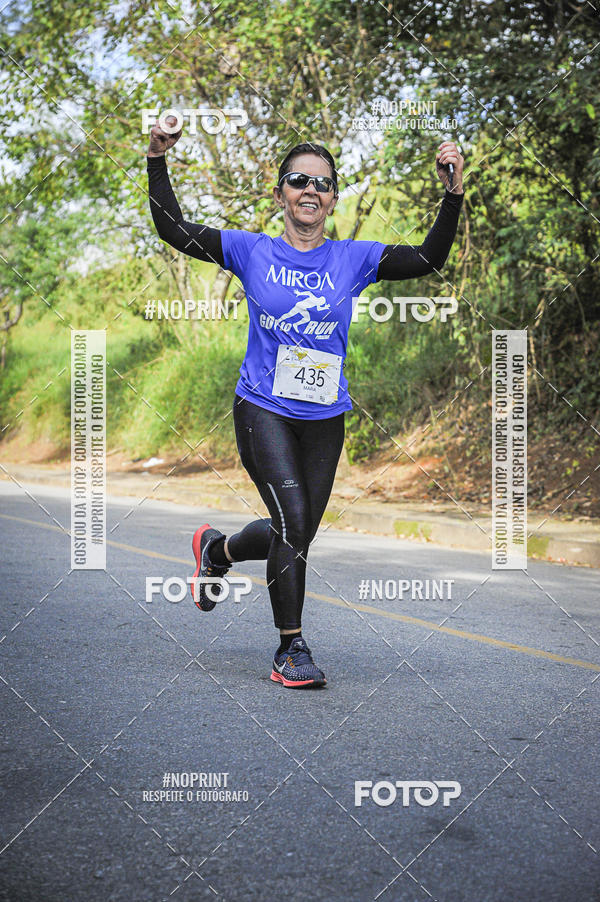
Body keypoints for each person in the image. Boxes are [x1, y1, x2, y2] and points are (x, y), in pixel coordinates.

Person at [147, 117, 464, 688]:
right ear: (281, 194)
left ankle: (217, 551)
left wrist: (452, 194)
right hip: (262, 408)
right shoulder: (250, 250)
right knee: (293, 521)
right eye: (297, 180)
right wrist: (157, 158)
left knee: (295, 529)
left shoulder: (353, 259)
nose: (309, 190)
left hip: (325, 415)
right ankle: (290, 648)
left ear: (333, 197)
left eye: (320, 183)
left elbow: (427, 259)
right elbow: (174, 229)